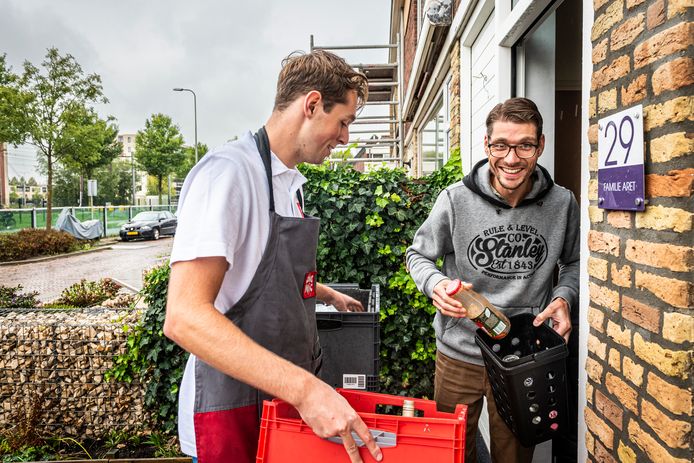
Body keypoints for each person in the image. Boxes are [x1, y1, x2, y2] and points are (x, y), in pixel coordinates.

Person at [164, 50, 382, 463]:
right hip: (233, 409)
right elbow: (185, 317)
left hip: (278, 405)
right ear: (312, 104)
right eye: (344, 122)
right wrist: (305, 389)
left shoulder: (288, 184)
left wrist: (326, 292)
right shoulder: (228, 174)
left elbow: (260, 277)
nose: (345, 138)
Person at [406, 97, 579, 462]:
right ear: (487, 145)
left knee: (514, 455)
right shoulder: (455, 200)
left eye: (524, 146)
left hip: (524, 358)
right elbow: (418, 255)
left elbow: (574, 263)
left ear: (540, 145)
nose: (511, 158)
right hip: (459, 353)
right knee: (449, 454)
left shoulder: (562, 203)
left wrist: (564, 297)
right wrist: (435, 284)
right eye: (501, 145)